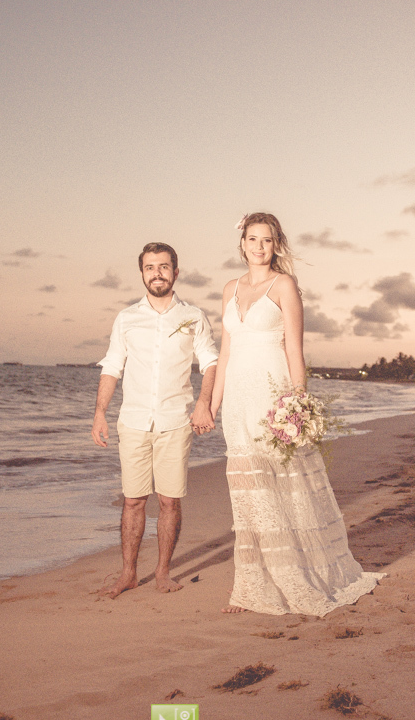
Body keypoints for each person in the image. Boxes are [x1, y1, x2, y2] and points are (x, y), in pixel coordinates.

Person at [210, 213, 383, 615]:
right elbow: (225, 352)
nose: (259, 247)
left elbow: (293, 349)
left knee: (282, 483)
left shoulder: (284, 285)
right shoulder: (229, 288)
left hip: (272, 392)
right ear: (242, 244)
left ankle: (298, 574)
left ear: (276, 245)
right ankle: (251, 582)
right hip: (237, 397)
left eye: (266, 240)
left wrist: (297, 403)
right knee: (248, 490)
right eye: (252, 239)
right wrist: (213, 404)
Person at [92, 242, 218, 598]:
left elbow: (211, 362)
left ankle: (163, 572)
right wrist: (100, 412)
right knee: (133, 500)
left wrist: (204, 404)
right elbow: (112, 366)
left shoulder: (194, 316)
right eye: (150, 267)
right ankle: (128, 574)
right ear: (142, 273)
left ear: (175, 272)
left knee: (169, 501)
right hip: (133, 421)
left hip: (175, 420)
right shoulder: (126, 318)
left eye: (163, 267)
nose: (157, 273)